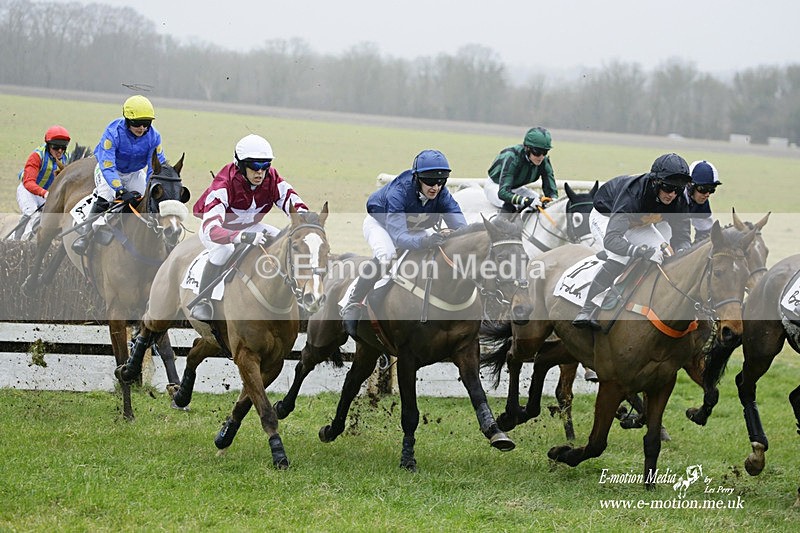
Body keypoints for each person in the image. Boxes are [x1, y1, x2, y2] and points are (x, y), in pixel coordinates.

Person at [340, 149, 468, 337]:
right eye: (430, 181)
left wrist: (454, 235)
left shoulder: (442, 194)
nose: (436, 187)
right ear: (417, 178)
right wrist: (426, 240)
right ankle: (354, 302)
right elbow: (400, 237)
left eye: (441, 182)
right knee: (387, 255)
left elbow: (462, 228)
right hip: (381, 225)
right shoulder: (398, 191)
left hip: (412, 228)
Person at [189, 134, 309, 321]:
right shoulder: (224, 183)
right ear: (240, 165)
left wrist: (306, 221)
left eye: (265, 166)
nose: (260, 172)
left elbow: (295, 204)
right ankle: (202, 300)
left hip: (250, 226)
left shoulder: (272, 179)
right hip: (219, 231)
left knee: (283, 242)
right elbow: (211, 229)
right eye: (254, 166)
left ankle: (296, 295)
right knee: (224, 251)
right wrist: (242, 237)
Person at [572, 153, 692, 330]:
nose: (673, 194)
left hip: (638, 221)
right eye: (668, 187)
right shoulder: (633, 195)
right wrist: (636, 251)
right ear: (655, 181)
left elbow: (682, 236)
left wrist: (683, 252)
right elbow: (612, 239)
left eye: (678, 189)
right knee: (621, 257)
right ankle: (587, 309)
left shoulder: (679, 198)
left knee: (664, 255)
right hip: (606, 215)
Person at [72, 95, 168, 255]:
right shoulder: (112, 133)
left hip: (134, 173)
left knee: (149, 197)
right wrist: (120, 190)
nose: (142, 128)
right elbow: (107, 166)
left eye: (147, 124)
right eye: (137, 124)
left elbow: (155, 166)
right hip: (109, 171)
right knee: (106, 196)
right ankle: (86, 235)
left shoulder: (154, 137)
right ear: (127, 120)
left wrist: (154, 183)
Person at [14, 126, 71, 240]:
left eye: (63, 147)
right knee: (31, 212)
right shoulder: (37, 156)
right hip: (28, 190)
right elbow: (28, 182)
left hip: (45, 193)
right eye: (56, 147)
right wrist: (44, 193)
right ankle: (19, 240)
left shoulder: (66, 156)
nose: (60, 151)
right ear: (48, 145)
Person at [484, 126, 558, 213]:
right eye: (537, 152)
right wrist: (526, 201)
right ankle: (498, 226)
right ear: (527, 148)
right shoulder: (512, 157)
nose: (541, 157)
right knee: (510, 206)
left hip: (517, 188)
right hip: (496, 186)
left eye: (545, 152)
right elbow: (503, 193)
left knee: (541, 203)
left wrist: (552, 201)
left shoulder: (544, 161)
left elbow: (551, 191)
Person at [686, 160, 722, 243]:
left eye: (711, 190)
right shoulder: (673, 195)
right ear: (690, 186)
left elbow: (705, 233)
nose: (707, 194)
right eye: (703, 189)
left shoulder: (701, 202)